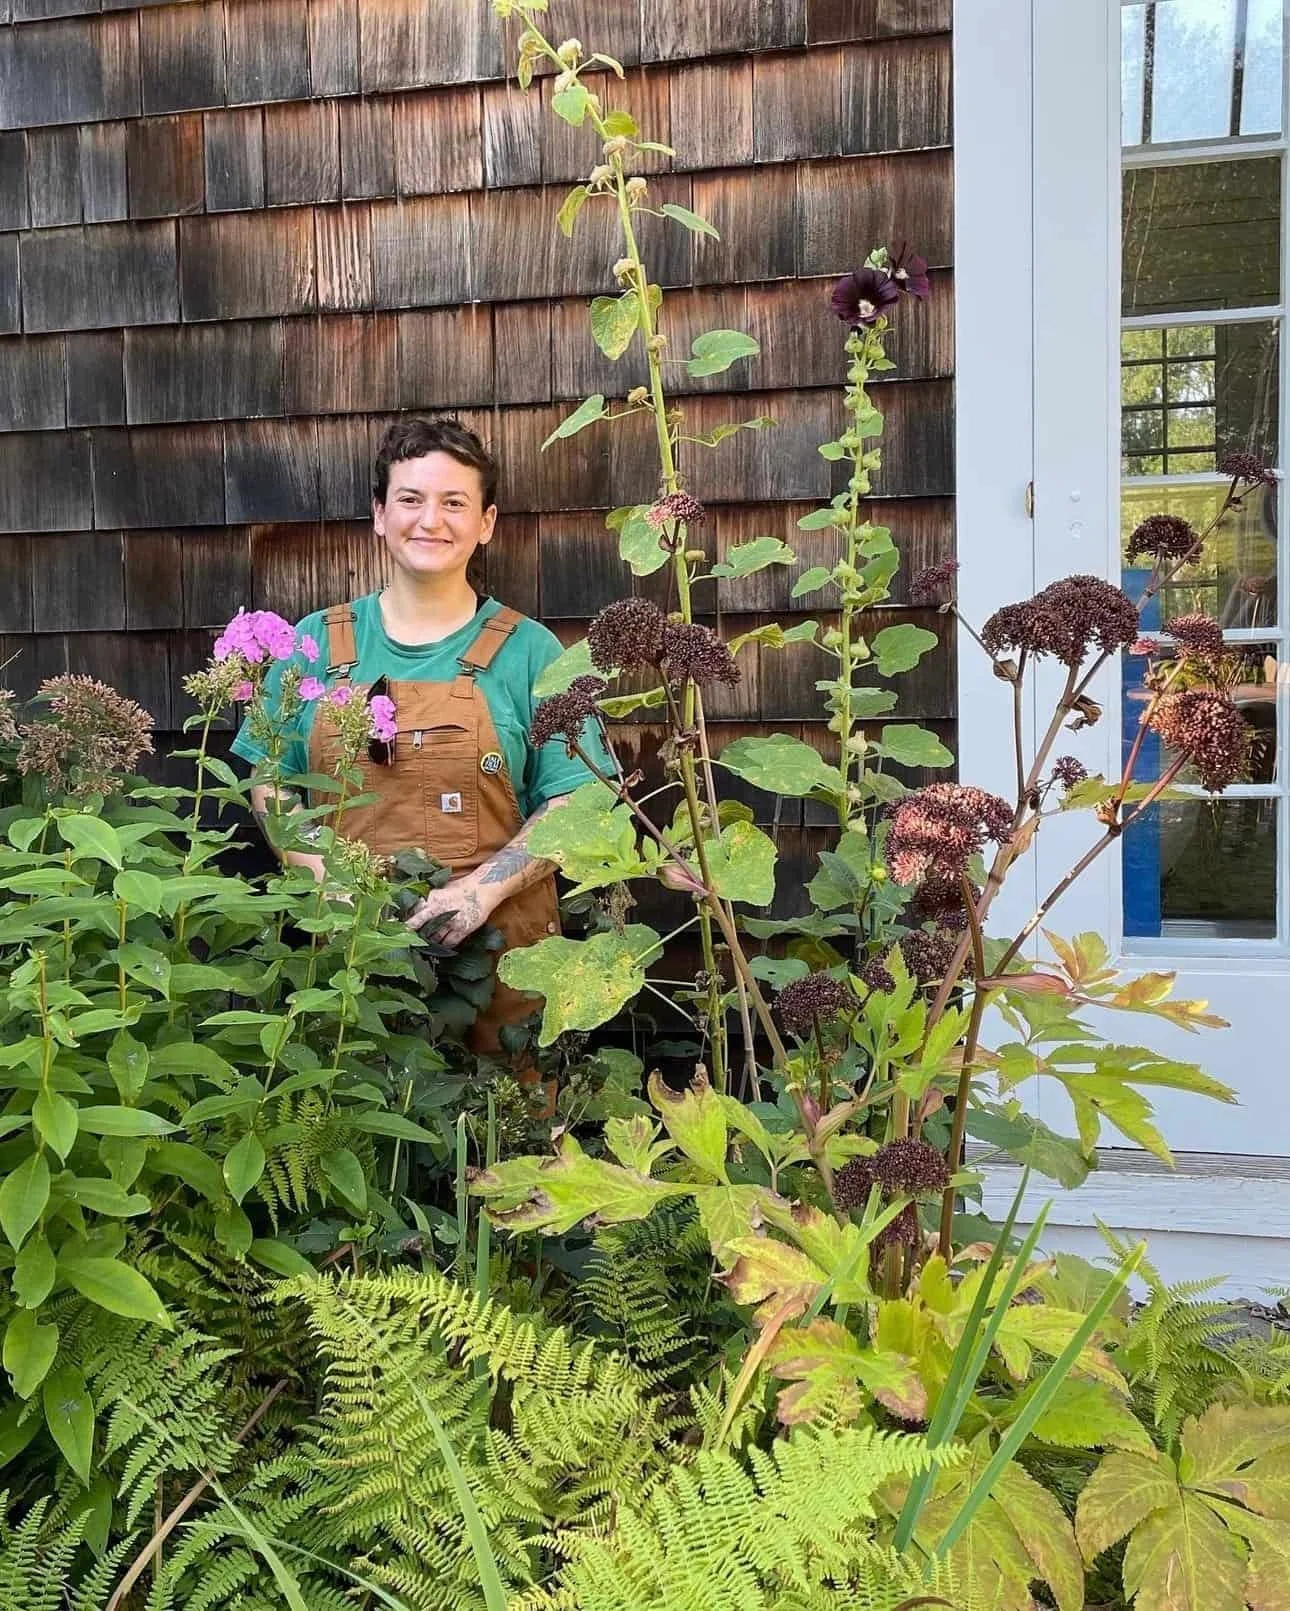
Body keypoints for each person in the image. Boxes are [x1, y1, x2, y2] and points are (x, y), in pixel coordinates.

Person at [230, 416, 610, 1055]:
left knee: (502, 1142)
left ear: (485, 524)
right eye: (410, 499)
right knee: (353, 1134)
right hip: (352, 965)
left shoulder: (531, 652)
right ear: (379, 514)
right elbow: (269, 780)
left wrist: (479, 891)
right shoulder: (316, 642)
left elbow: (579, 800)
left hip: (500, 966)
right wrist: (331, 882)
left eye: (453, 502)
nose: (430, 519)